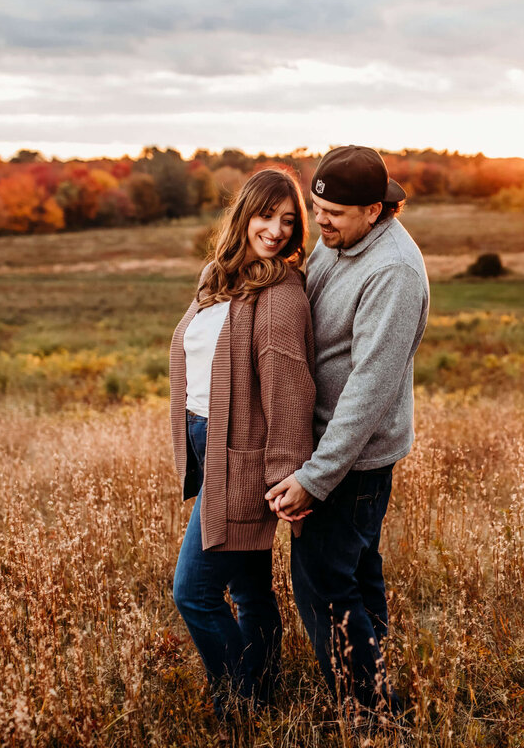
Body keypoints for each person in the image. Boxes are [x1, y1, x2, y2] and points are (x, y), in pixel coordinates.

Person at [265, 145, 429, 719]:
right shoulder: (343, 241)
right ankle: (376, 682)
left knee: (323, 586)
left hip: (351, 460)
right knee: (356, 573)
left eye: (333, 213)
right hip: (331, 449)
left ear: (375, 210)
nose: (320, 223)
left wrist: (317, 477)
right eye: (317, 208)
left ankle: (370, 712)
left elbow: (369, 390)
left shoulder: (393, 272)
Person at [169, 167, 315, 719]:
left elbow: (289, 390)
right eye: (265, 216)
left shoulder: (279, 291)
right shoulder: (217, 276)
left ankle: (241, 701)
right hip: (211, 441)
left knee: (194, 592)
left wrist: (284, 474)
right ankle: (266, 687)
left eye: (287, 221)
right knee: (251, 589)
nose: (276, 231)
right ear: (243, 214)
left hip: (246, 460)